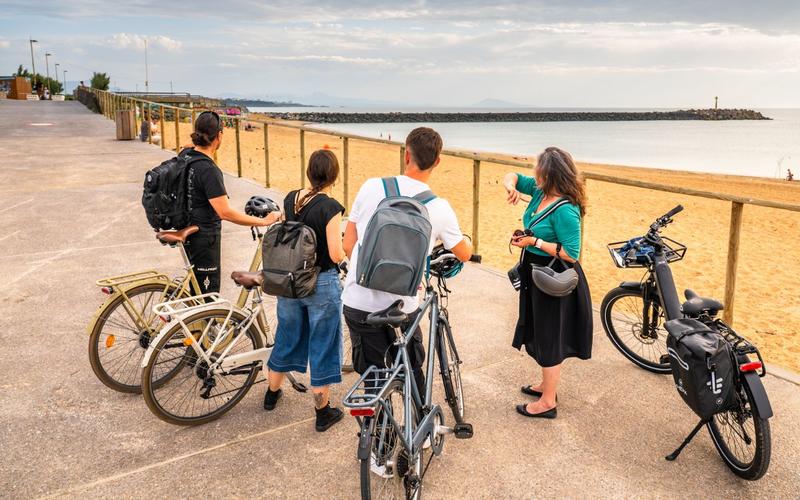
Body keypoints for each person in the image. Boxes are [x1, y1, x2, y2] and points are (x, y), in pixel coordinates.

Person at [342, 127, 472, 395]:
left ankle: (376, 432)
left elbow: (348, 244)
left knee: (374, 381)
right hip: (402, 307)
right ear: (438, 161)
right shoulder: (439, 207)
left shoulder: (371, 186)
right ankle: (418, 427)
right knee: (411, 369)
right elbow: (464, 254)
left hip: (357, 301)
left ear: (406, 155)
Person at [504, 146, 592, 419]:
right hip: (536, 272)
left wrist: (535, 242)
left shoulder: (565, 209)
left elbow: (571, 253)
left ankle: (548, 402)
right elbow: (513, 176)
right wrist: (510, 187)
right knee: (542, 331)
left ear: (551, 174)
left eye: (539, 171)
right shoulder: (541, 191)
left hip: (553, 278)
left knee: (550, 336)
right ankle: (546, 386)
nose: (534, 174)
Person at [263, 149, 348, 432]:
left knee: (287, 334)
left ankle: (271, 394)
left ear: (309, 172)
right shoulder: (330, 207)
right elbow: (336, 254)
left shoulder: (290, 199)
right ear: (334, 176)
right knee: (322, 343)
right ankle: (323, 413)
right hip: (321, 283)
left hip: (290, 282)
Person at [182, 111, 278, 294]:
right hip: (203, 238)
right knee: (206, 298)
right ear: (219, 136)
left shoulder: (187, 156)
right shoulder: (208, 170)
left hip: (188, 228)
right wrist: (265, 221)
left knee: (196, 292)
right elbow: (224, 212)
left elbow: (186, 146)